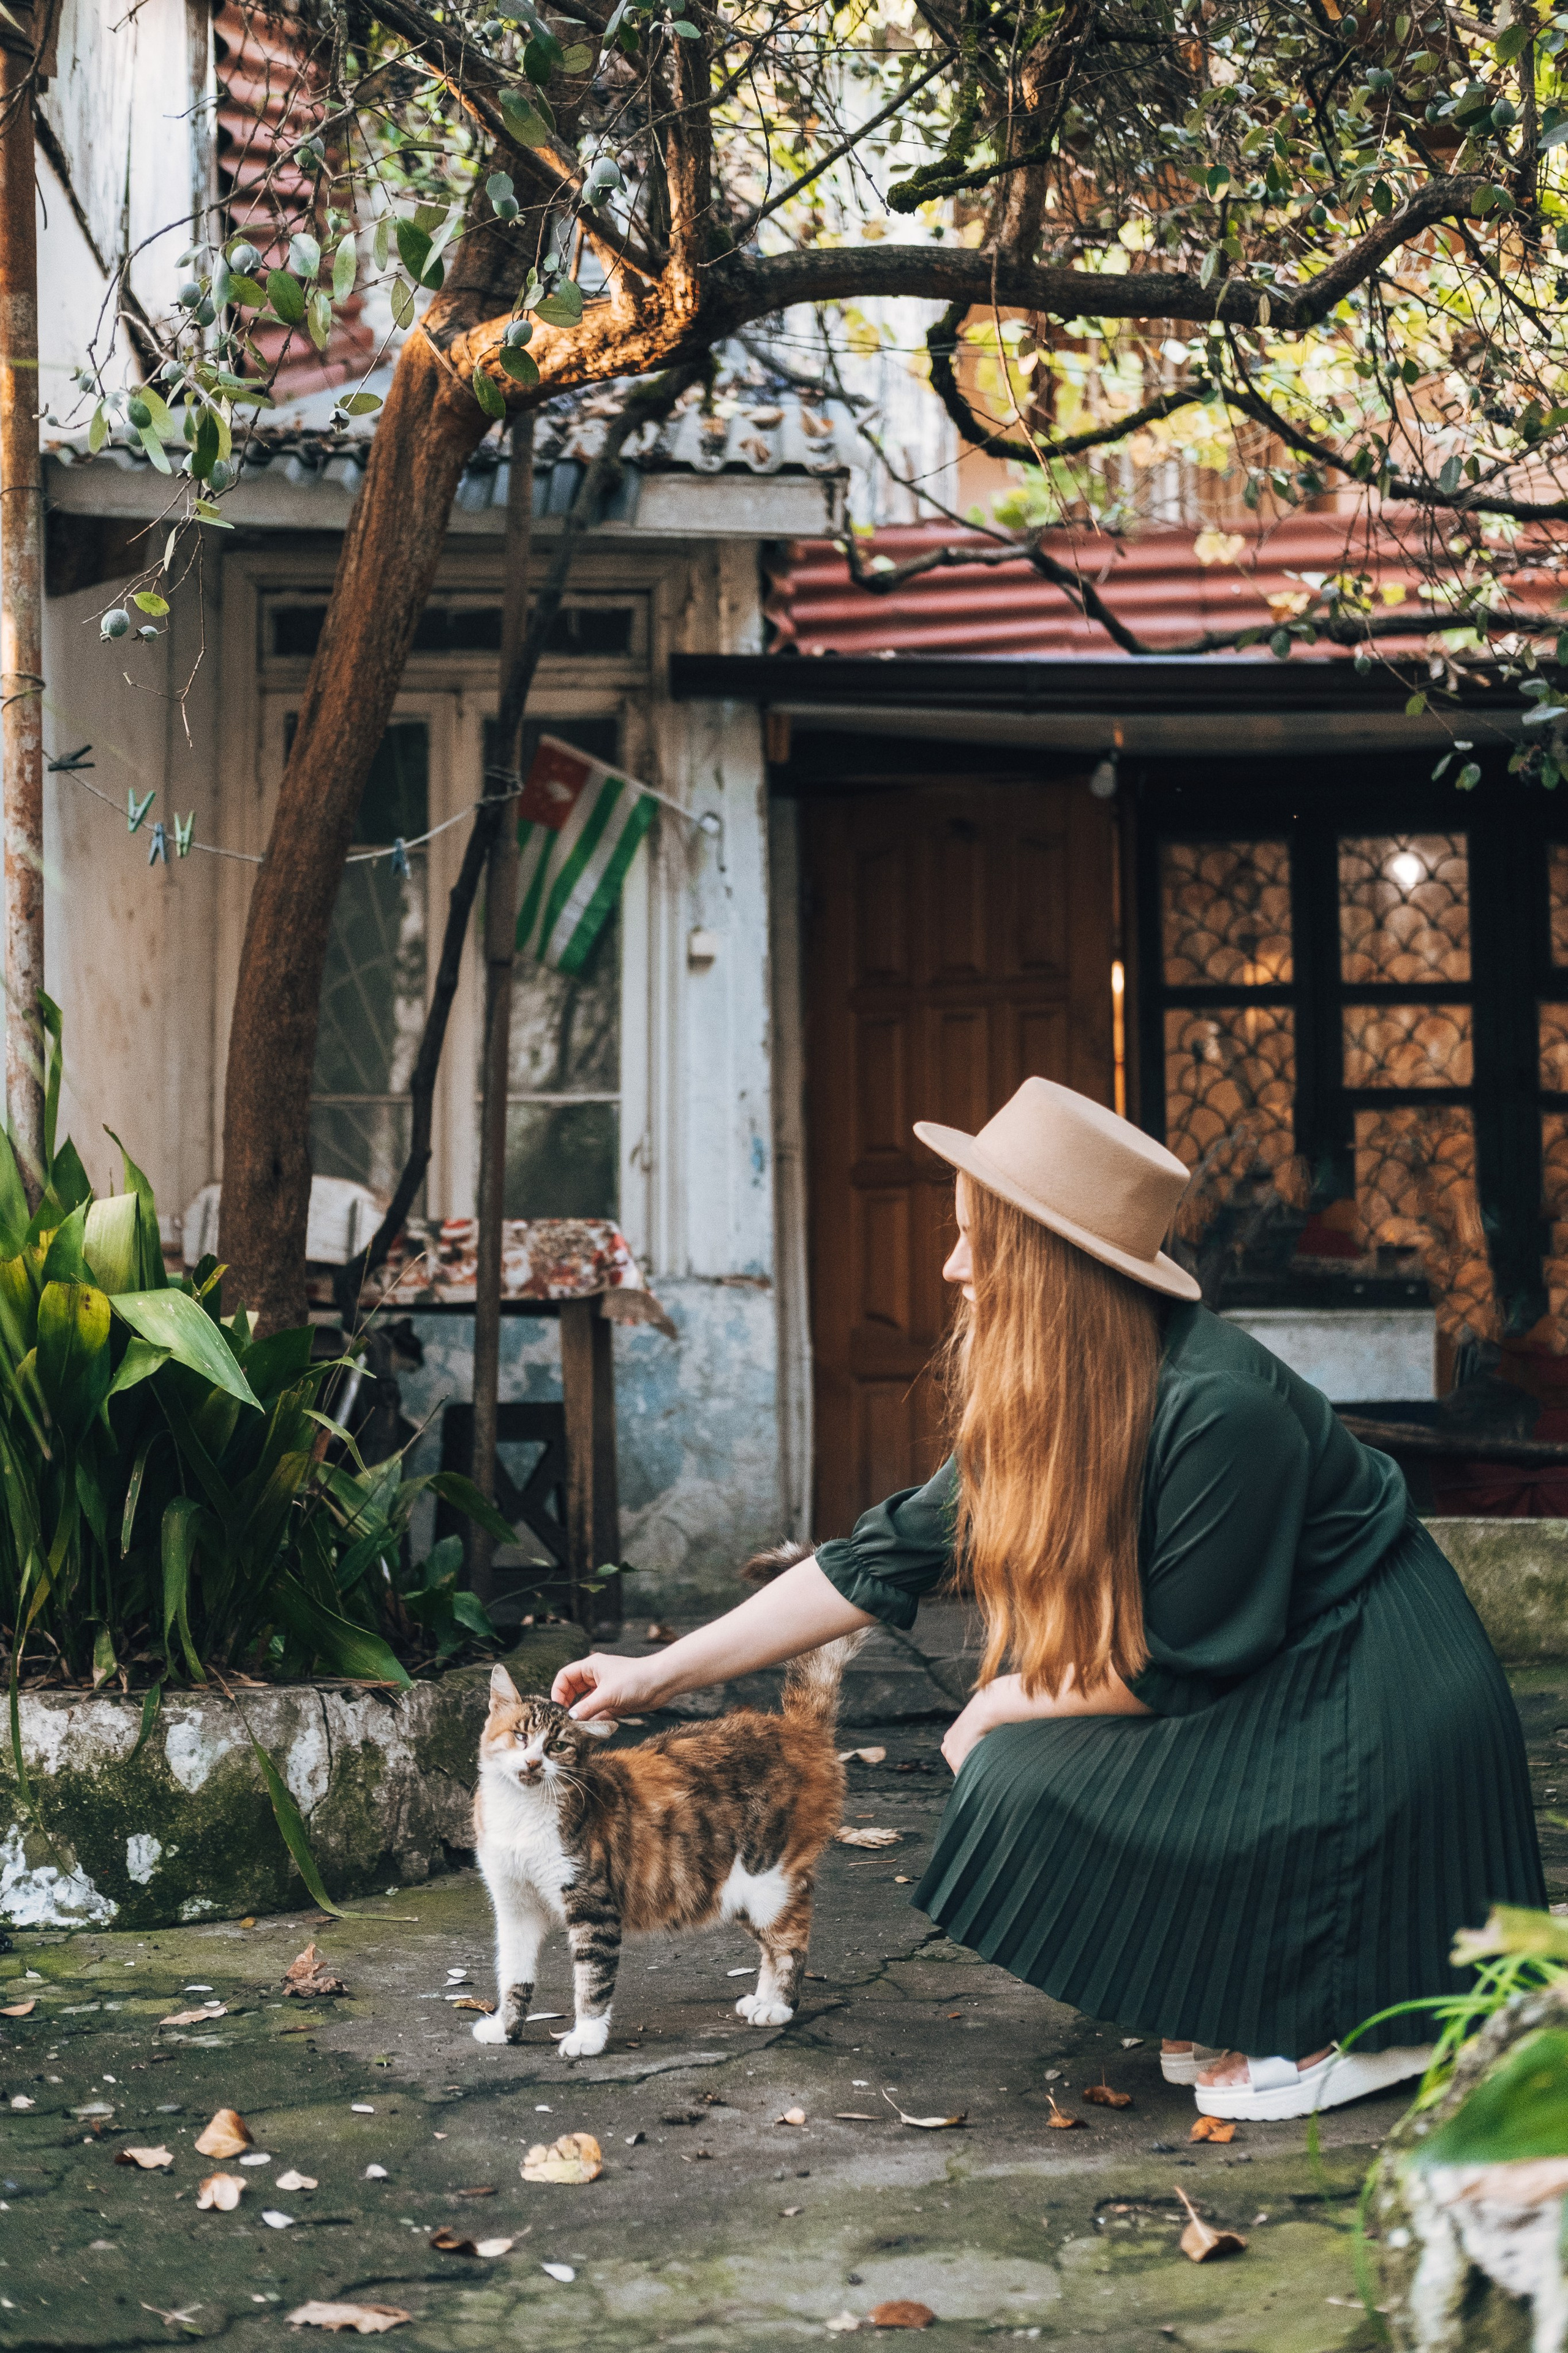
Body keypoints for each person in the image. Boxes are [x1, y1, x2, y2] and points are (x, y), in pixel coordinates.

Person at [552, 1078, 1546, 2123]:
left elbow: (1176, 1662)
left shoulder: (1221, 1407)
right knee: (1024, 1758)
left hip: (1373, 1694)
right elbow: (874, 1559)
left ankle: (1368, 2012)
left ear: (1051, 1263)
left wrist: (1000, 1700)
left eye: (976, 1239)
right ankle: (1244, 1981)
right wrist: (652, 1674)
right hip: (1270, 1668)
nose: (952, 1265)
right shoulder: (1058, 1388)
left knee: (1019, 1764)